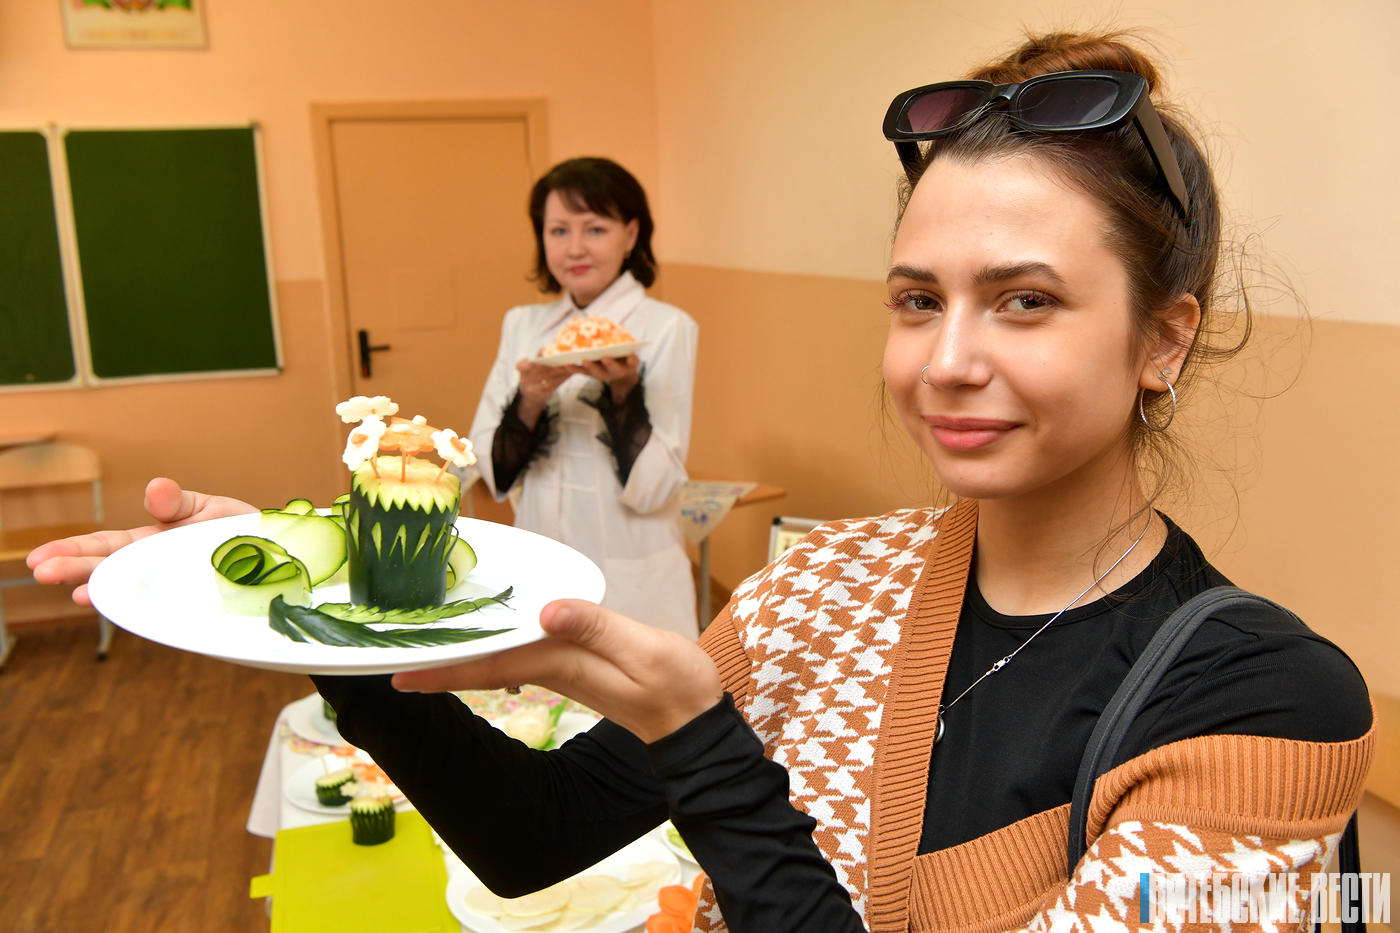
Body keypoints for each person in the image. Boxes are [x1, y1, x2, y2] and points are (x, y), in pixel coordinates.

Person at [29, 31, 1373, 933]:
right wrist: (328, 608)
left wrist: (704, 745)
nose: (947, 361)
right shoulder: (831, 580)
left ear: (1163, 336)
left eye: (1025, 301)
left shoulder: (1263, 706)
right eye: (918, 300)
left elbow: (708, 780)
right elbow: (534, 831)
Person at [470, 156, 699, 637]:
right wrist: (528, 400)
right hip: (539, 568)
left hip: (633, 579)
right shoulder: (523, 325)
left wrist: (623, 392)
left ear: (631, 235)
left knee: (629, 709)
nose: (575, 248)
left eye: (594, 229)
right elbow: (493, 473)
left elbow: (655, 487)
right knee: (543, 708)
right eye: (557, 231)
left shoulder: (666, 328)